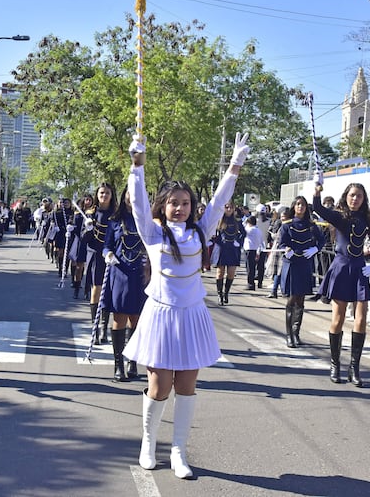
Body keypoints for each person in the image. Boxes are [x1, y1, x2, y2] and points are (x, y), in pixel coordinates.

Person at [123, 131, 249, 480]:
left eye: (185, 202)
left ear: (193, 206)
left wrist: (235, 165)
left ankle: (179, 451)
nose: (180, 208)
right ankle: (149, 444)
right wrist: (137, 165)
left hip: (192, 315)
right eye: (173, 202)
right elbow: (136, 203)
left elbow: (221, 200)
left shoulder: (200, 231)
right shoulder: (153, 232)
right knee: (160, 385)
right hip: (161, 315)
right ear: (163, 204)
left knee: (187, 385)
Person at [312, 176, 370, 387]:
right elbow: (318, 208)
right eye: (352, 195)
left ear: (364, 199)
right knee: (338, 318)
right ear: (346, 196)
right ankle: (335, 364)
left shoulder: (366, 220)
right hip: (341, 268)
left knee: (361, 319)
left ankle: (354, 367)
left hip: (359, 269)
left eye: (359, 196)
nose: (355, 199)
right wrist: (317, 190)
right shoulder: (339, 217)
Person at [103, 189, 148, 382]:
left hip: (140, 273)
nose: (133, 196)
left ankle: (133, 361)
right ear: (124, 196)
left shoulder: (147, 219)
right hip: (120, 272)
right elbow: (107, 245)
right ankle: (118, 365)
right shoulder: (115, 220)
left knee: (136, 319)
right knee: (119, 317)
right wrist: (108, 255)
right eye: (130, 192)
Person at [278, 196, 325, 347]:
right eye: (298, 204)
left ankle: (296, 333)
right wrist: (286, 250)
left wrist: (315, 249)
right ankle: (289, 335)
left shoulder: (312, 225)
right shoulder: (287, 225)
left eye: (303, 205)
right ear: (293, 207)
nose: (300, 207)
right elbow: (281, 243)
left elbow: (322, 240)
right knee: (291, 298)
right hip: (292, 263)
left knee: (301, 299)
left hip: (305, 263)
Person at [83, 183, 117, 344]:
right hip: (97, 255)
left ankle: (104, 326)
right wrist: (88, 229)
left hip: (113, 256)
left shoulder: (117, 214)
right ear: (97, 194)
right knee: (96, 289)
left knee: (109, 291)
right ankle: (95, 327)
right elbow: (86, 240)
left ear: (111, 195)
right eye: (101, 193)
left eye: (107, 193)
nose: (104, 196)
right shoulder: (91, 213)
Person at [213, 202, 244, 305]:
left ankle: (226, 293)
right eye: (227, 207)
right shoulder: (219, 220)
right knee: (220, 273)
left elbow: (243, 234)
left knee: (231, 273)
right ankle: (219, 294)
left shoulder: (237, 222)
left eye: (231, 207)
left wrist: (238, 242)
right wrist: (218, 241)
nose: (229, 209)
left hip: (233, 250)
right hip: (222, 249)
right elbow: (213, 234)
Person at [242, 216, 264, 291]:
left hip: (249, 250)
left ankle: (250, 284)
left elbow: (242, 230)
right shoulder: (258, 230)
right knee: (253, 267)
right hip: (256, 249)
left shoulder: (249, 230)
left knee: (249, 268)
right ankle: (255, 283)